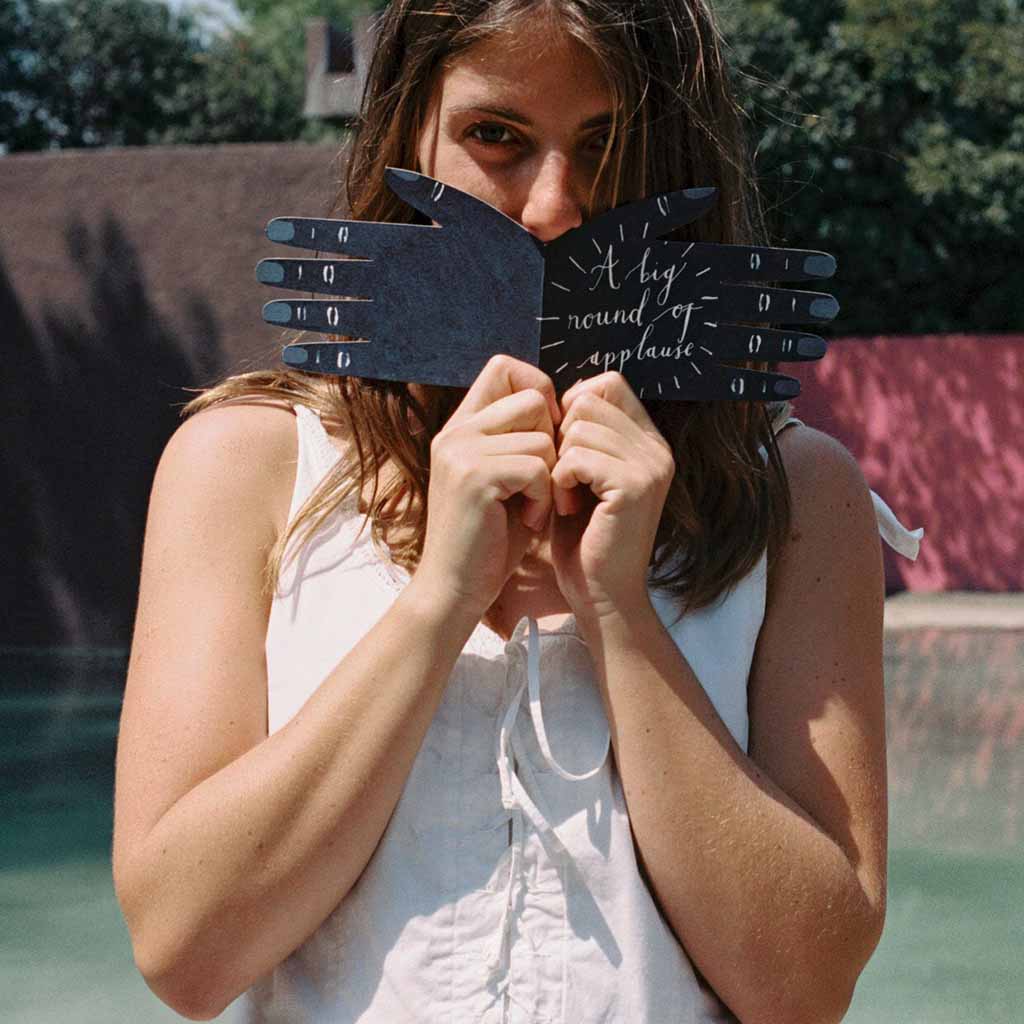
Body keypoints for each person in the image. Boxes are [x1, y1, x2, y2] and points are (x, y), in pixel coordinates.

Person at [111, 1, 922, 1022]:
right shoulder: (248, 466)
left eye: (610, 145)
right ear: (407, 136)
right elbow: (184, 953)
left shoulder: (795, 495)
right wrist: (440, 600)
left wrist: (619, 611)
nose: (552, 207)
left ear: (680, 161)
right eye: (495, 135)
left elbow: (805, 989)